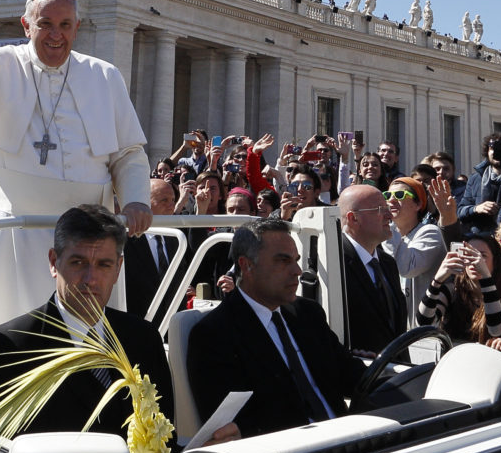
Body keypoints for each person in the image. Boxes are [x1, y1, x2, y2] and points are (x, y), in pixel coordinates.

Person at [0, 0, 151, 331]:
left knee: (86, 338)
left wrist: (136, 199)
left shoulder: (104, 76)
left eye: (64, 25)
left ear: (76, 27)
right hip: (15, 228)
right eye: (45, 23)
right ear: (26, 25)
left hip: (90, 235)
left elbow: (127, 152)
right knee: (5, 335)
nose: (55, 34)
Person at [0, 205, 173, 436]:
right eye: (78, 263)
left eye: (103, 265)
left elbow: (166, 440)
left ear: (118, 268)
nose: (90, 279)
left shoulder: (144, 339)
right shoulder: (7, 348)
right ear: (54, 262)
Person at [186, 218, 365, 438]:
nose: (297, 270)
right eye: (283, 261)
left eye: (296, 260)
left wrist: (395, 380)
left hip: (347, 440)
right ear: (246, 265)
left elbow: (351, 376)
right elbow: (231, 427)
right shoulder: (214, 335)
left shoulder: (308, 314)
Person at [339, 185, 407, 352]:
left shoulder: (387, 263)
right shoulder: (335, 261)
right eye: (380, 209)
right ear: (353, 218)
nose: (389, 216)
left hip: (394, 371)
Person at [418, 232, 501, 348]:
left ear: (495, 261)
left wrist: (486, 277)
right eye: (468, 255)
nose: (474, 261)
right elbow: (424, 322)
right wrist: (437, 281)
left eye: (481, 256)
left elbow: (497, 330)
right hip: (454, 358)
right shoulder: (452, 290)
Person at [381, 178, 447, 330]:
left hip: (423, 330)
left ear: (418, 204)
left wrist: (388, 226)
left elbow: (406, 269)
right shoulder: (389, 234)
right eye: (387, 195)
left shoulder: (430, 232)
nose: (391, 200)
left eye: (399, 195)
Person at [123, 179, 179, 319]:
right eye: (164, 200)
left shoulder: (176, 238)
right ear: (145, 204)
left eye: (173, 199)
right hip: (137, 324)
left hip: (171, 323)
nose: (171, 205)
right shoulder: (125, 241)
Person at [458, 132, 501, 232]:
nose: (497, 151)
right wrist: (476, 209)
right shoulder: (475, 178)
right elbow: (460, 212)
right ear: (487, 151)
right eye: (493, 147)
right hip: (480, 235)